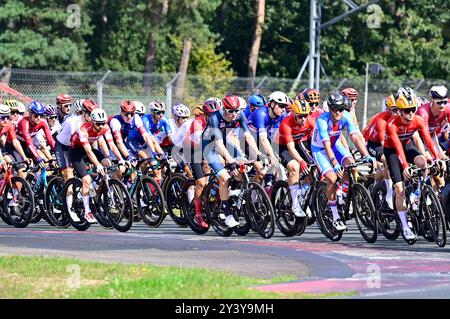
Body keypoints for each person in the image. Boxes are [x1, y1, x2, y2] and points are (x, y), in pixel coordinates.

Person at [311, 92, 375, 231]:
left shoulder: (345, 116)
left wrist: (367, 155)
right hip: (320, 150)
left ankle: (342, 191)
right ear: (329, 109)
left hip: (335, 146)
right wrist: (334, 164)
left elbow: (355, 138)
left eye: (341, 109)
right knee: (332, 179)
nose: (338, 112)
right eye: (334, 109)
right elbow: (326, 145)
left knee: (352, 166)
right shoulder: (322, 121)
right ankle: (335, 217)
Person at [383, 94, 444, 241]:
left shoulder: (418, 120)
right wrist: (405, 166)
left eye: (413, 110)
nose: (411, 113)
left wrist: (437, 158)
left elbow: (428, 141)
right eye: (407, 110)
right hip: (392, 150)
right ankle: (405, 226)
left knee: (424, 163)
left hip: (407, 145)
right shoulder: (392, 124)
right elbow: (397, 147)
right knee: (400, 190)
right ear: (400, 111)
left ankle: (417, 192)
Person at [273, 99, 315, 217]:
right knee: (295, 167)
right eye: (300, 116)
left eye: (305, 116)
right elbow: (290, 148)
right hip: (280, 146)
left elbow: (320, 138)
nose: (303, 119)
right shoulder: (286, 123)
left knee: (313, 166)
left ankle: (302, 194)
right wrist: (301, 161)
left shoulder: (310, 121)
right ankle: (295, 204)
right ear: (294, 114)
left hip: (297, 143)